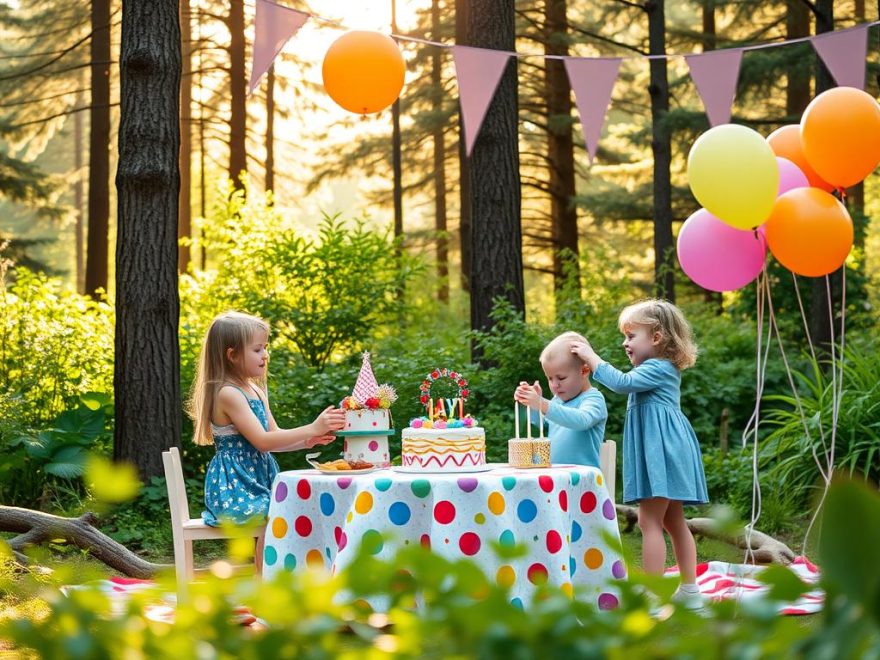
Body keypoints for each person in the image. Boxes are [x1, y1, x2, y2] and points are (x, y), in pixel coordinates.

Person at [570, 300, 708, 610]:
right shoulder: (656, 368)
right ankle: (689, 591)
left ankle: (654, 595)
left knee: (648, 522)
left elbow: (620, 384)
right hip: (667, 452)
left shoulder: (657, 368)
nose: (625, 342)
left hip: (664, 454)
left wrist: (592, 358)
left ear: (657, 338)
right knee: (673, 522)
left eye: (632, 336)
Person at [188, 311, 345, 569]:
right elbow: (262, 441)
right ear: (232, 355)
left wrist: (308, 440)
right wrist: (311, 427)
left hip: (258, 482)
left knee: (295, 506)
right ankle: (265, 587)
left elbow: (274, 436)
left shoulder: (255, 390)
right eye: (257, 349)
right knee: (281, 511)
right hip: (235, 488)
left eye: (266, 348)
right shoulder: (228, 393)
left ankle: (295, 578)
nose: (265, 355)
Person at [513, 331, 607, 468]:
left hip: (583, 479)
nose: (555, 384)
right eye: (550, 378)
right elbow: (543, 424)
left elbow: (582, 420)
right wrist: (533, 404)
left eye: (561, 378)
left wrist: (542, 403)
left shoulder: (593, 398)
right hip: (556, 476)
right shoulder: (558, 400)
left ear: (584, 371)